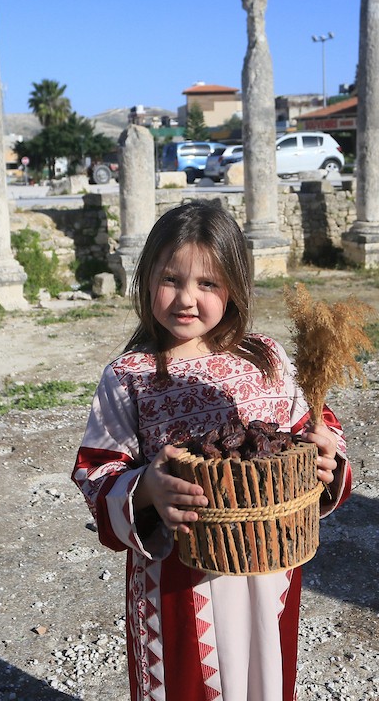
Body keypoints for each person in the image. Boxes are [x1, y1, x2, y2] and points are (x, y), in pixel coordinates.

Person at [72, 201, 352, 701]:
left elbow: (311, 425)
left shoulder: (266, 356)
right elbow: (98, 469)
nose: (186, 298)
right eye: (170, 279)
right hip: (177, 581)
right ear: (145, 279)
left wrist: (327, 457)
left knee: (264, 674)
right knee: (184, 684)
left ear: (235, 289)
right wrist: (145, 490)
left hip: (270, 568)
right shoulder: (128, 377)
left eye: (208, 284)